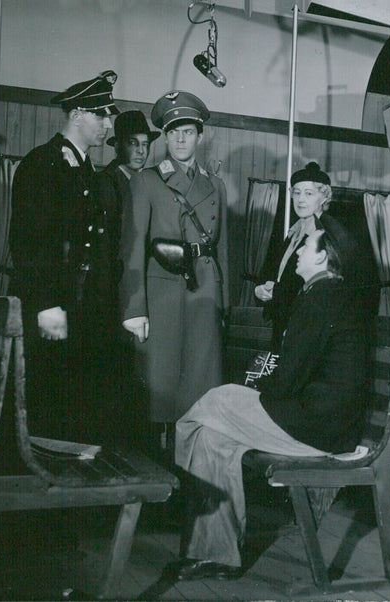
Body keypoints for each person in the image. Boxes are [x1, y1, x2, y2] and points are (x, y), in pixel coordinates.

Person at [172, 217, 370, 581]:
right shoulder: (328, 294)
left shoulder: (321, 297)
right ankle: (217, 556)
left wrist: (254, 393)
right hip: (323, 421)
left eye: (306, 246)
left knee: (214, 402)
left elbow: (287, 381)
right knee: (211, 437)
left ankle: (171, 483)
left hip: (317, 429)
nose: (297, 253)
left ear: (324, 257)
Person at [9, 70, 119, 440]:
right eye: (100, 114)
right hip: (55, 304)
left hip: (82, 302)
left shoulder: (85, 168)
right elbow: (29, 241)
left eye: (109, 115)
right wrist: (46, 303)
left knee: (72, 398)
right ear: (76, 115)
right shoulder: (44, 164)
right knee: (47, 396)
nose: (108, 123)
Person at [119, 90, 229, 453]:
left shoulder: (216, 185)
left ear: (200, 136)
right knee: (159, 394)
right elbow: (132, 250)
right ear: (164, 138)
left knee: (200, 394)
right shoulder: (147, 181)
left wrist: (222, 301)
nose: (181, 139)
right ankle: (158, 482)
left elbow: (223, 246)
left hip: (204, 292)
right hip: (162, 295)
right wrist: (135, 309)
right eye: (174, 132)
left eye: (188, 131)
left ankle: (192, 478)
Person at [91, 110, 160, 443]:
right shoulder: (107, 183)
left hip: (144, 289)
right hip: (115, 289)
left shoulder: (148, 182)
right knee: (115, 373)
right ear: (117, 145)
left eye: (145, 144)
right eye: (133, 144)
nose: (141, 151)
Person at [255, 162, 332, 352]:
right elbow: (273, 273)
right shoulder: (293, 232)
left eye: (309, 193)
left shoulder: (327, 235)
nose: (300, 200)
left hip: (308, 329)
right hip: (283, 323)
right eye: (296, 193)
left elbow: (319, 290)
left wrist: (278, 293)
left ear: (324, 197)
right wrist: (260, 290)